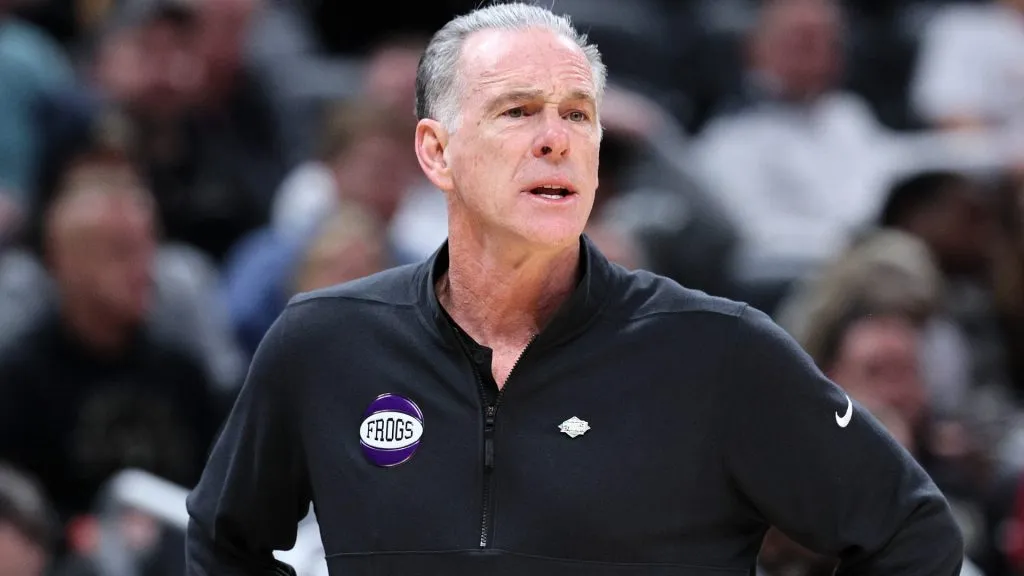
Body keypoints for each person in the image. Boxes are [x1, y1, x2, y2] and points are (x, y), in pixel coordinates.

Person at [185, 4, 964, 575]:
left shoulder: (718, 351)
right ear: (437, 153)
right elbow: (224, 542)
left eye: (578, 115)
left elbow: (912, 532)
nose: (555, 139)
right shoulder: (325, 342)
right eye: (518, 112)